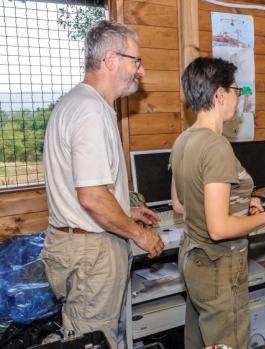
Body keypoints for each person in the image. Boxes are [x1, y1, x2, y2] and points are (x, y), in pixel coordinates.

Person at [41, 20, 164, 349]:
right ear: (111, 59)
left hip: (75, 241)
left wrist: (126, 210)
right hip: (91, 252)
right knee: (93, 341)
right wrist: (139, 234)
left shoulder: (76, 103)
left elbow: (84, 188)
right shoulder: (90, 112)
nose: (140, 71)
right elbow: (93, 197)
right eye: (135, 61)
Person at [170, 57, 265, 349]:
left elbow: (179, 203)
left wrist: (239, 202)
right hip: (219, 266)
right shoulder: (216, 146)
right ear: (219, 94)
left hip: (193, 259)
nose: (239, 96)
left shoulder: (184, 139)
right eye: (237, 89)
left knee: (200, 342)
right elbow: (219, 229)